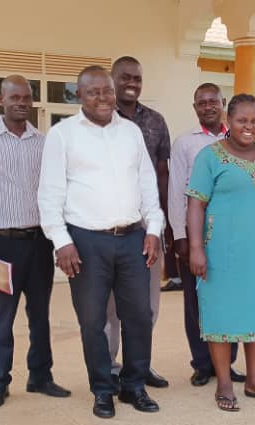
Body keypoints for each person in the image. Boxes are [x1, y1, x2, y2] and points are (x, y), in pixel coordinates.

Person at [38, 65, 164, 419]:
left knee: (139, 315)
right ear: (79, 95)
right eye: (93, 92)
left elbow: (147, 186)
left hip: (132, 238)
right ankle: (102, 390)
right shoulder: (62, 135)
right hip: (85, 242)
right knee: (93, 321)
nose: (103, 98)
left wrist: (153, 228)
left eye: (107, 90)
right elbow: (49, 195)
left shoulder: (132, 133)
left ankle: (134, 385)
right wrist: (62, 242)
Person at [186, 93, 255, 412]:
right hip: (219, 250)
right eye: (241, 120)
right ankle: (223, 383)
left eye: (254, 121)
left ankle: (254, 381)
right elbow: (195, 203)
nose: (248, 127)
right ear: (229, 121)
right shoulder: (209, 157)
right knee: (220, 311)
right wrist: (196, 248)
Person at [0, 75, 70, 409]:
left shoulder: (44, 142)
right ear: (1, 100)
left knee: (40, 314)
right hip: (0, 244)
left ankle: (40, 376)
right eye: (15, 97)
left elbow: (55, 190)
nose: (21, 103)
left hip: (39, 241)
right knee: (1, 317)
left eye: (27, 97)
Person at [167, 83, 245, 387]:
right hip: (194, 231)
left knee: (231, 298)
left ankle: (229, 361)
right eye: (202, 102)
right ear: (195, 107)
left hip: (233, 234)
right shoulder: (185, 143)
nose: (208, 106)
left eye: (213, 101)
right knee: (196, 302)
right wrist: (179, 235)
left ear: (223, 103)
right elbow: (176, 192)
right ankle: (202, 363)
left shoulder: (239, 138)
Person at [107, 56, 170, 388]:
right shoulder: (99, 119)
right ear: (112, 79)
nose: (132, 82)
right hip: (110, 228)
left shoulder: (156, 121)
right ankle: (110, 367)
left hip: (148, 228)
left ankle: (139, 365)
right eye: (125, 77)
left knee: (146, 305)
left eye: (137, 78)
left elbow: (163, 175)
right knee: (110, 309)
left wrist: (164, 226)